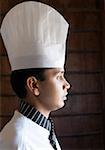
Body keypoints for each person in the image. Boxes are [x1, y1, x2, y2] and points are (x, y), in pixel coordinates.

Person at [0, 1, 70, 150]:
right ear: (34, 85)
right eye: (58, 77)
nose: (67, 84)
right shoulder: (20, 141)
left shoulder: (42, 128)